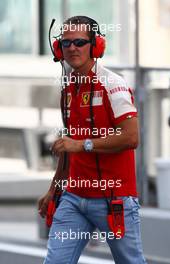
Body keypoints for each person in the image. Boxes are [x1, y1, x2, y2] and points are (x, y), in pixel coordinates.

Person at [38, 15, 147, 264]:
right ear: (58, 49)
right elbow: (68, 146)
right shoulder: (68, 89)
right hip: (73, 199)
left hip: (114, 199)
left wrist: (83, 144)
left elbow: (131, 137)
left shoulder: (113, 84)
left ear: (95, 45)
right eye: (66, 43)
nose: (72, 48)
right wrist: (54, 188)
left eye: (79, 41)